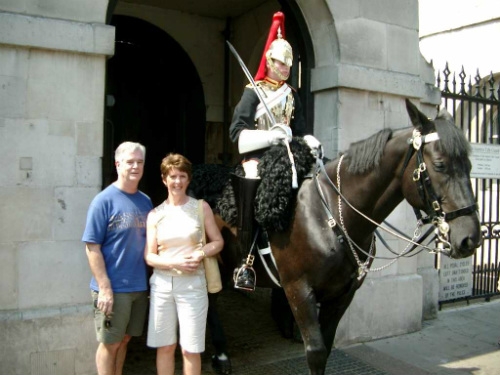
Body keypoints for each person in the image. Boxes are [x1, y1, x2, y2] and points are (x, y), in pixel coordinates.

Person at [229, 11, 320, 291]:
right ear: (270, 62)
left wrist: (309, 142)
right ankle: (246, 260)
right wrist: (270, 136)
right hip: (259, 156)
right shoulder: (253, 92)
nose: (286, 68)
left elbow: (301, 131)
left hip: (289, 155)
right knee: (252, 179)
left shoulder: (292, 95)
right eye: (281, 63)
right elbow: (237, 133)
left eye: (289, 64)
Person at [145, 153, 224, 375]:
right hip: (162, 286)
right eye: (172, 176)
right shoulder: (155, 214)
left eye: (182, 176)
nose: (177, 181)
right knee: (166, 346)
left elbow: (218, 242)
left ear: (188, 179)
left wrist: (200, 252)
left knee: (190, 349)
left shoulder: (201, 207)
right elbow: (150, 257)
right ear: (164, 179)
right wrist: (174, 262)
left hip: (192, 286)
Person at [82, 141, 153, 375]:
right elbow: (92, 247)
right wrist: (104, 288)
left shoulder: (146, 201)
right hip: (114, 289)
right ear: (118, 164)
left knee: (123, 340)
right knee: (110, 343)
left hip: (138, 288)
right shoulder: (103, 200)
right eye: (130, 162)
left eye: (139, 162)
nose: (135, 166)